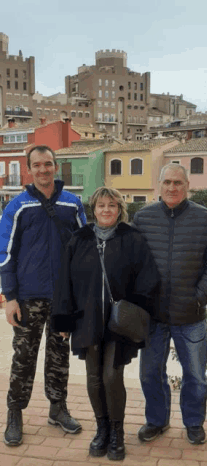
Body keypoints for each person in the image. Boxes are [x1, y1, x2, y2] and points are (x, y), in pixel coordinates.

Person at [51, 186, 160, 461]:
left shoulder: (132, 238)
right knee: (94, 378)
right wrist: (62, 319)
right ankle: (102, 430)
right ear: (94, 209)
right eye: (101, 205)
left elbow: (149, 279)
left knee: (112, 377)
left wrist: (136, 308)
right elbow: (64, 281)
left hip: (119, 323)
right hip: (86, 320)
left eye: (112, 205)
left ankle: (117, 432)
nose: (106, 210)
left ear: (119, 209)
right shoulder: (79, 239)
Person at [0, 145, 86, 446]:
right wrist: (9, 297)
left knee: (59, 355)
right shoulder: (17, 207)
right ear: (29, 169)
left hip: (63, 297)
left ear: (55, 166)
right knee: (23, 357)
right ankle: (15, 413)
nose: (43, 170)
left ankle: (57, 407)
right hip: (27, 298)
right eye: (36, 165)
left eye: (48, 164)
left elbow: (84, 249)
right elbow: (5, 254)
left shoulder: (73, 204)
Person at [133, 163, 207, 445]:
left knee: (195, 376)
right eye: (167, 182)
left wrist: (200, 296)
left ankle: (194, 423)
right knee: (149, 373)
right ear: (158, 185)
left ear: (187, 186)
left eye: (178, 183)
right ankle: (157, 421)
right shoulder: (143, 217)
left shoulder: (205, 219)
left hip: (190, 314)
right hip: (153, 316)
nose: (172, 188)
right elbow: (131, 261)